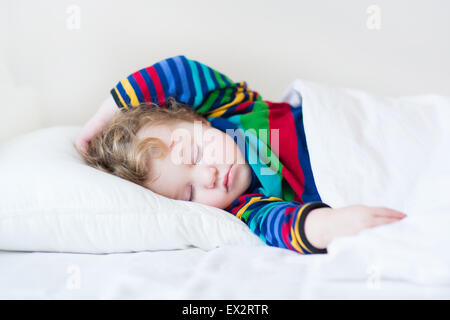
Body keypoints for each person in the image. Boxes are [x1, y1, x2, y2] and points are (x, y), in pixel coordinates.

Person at [75, 55, 407, 254]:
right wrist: (325, 224)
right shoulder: (245, 204)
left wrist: (104, 114)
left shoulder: (235, 107)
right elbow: (279, 224)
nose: (209, 176)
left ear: (199, 120)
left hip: (362, 130)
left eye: (197, 154)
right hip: (367, 176)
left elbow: (176, 71)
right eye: (190, 193)